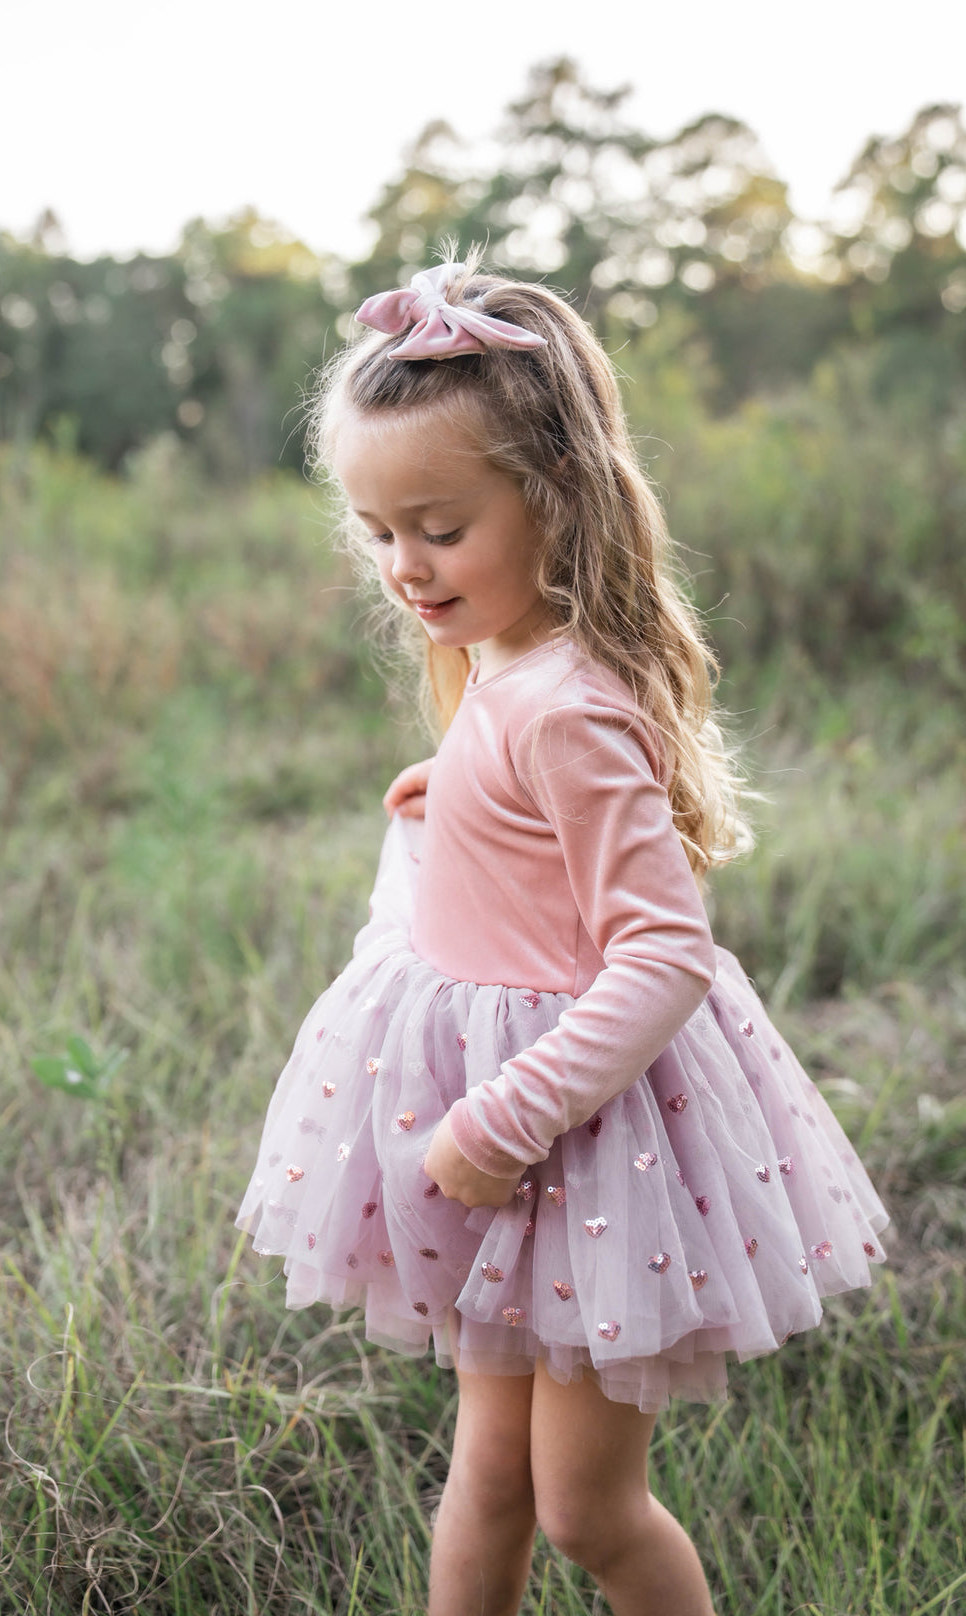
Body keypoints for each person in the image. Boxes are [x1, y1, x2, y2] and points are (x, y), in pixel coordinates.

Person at [237, 256, 889, 1616]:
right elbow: (519, 868)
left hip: (587, 1150)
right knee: (485, 1477)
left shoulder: (568, 706)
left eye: (439, 526)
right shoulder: (502, 663)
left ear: (553, 502)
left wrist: (499, 1121)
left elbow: (663, 954)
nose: (405, 568)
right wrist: (443, 818)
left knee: (587, 1507)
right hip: (525, 1149)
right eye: (379, 533)